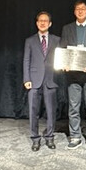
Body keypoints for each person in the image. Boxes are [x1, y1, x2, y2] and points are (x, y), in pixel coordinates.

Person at [60, 0, 86, 150]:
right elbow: (63, 49)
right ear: (74, 12)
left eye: (83, 9)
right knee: (73, 107)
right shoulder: (67, 28)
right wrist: (64, 63)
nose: (80, 11)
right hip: (73, 74)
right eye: (77, 9)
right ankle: (75, 136)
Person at [23, 11, 60, 151]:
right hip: (34, 80)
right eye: (40, 20)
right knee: (33, 111)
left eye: (45, 21)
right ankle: (35, 139)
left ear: (50, 24)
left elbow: (62, 58)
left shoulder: (57, 40)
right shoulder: (30, 40)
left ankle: (50, 137)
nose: (42, 23)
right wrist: (26, 78)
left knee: (51, 111)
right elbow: (26, 60)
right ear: (36, 23)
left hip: (51, 79)